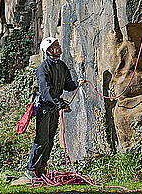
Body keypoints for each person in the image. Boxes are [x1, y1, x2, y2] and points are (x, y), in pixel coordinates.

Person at [25, 37, 84, 180]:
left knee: (50, 140)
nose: (59, 46)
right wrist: (61, 104)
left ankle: (41, 169)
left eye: (58, 44)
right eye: (55, 45)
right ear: (49, 50)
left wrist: (77, 83)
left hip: (54, 108)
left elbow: (67, 85)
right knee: (42, 139)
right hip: (45, 108)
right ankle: (31, 169)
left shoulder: (62, 66)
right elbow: (46, 91)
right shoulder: (43, 69)